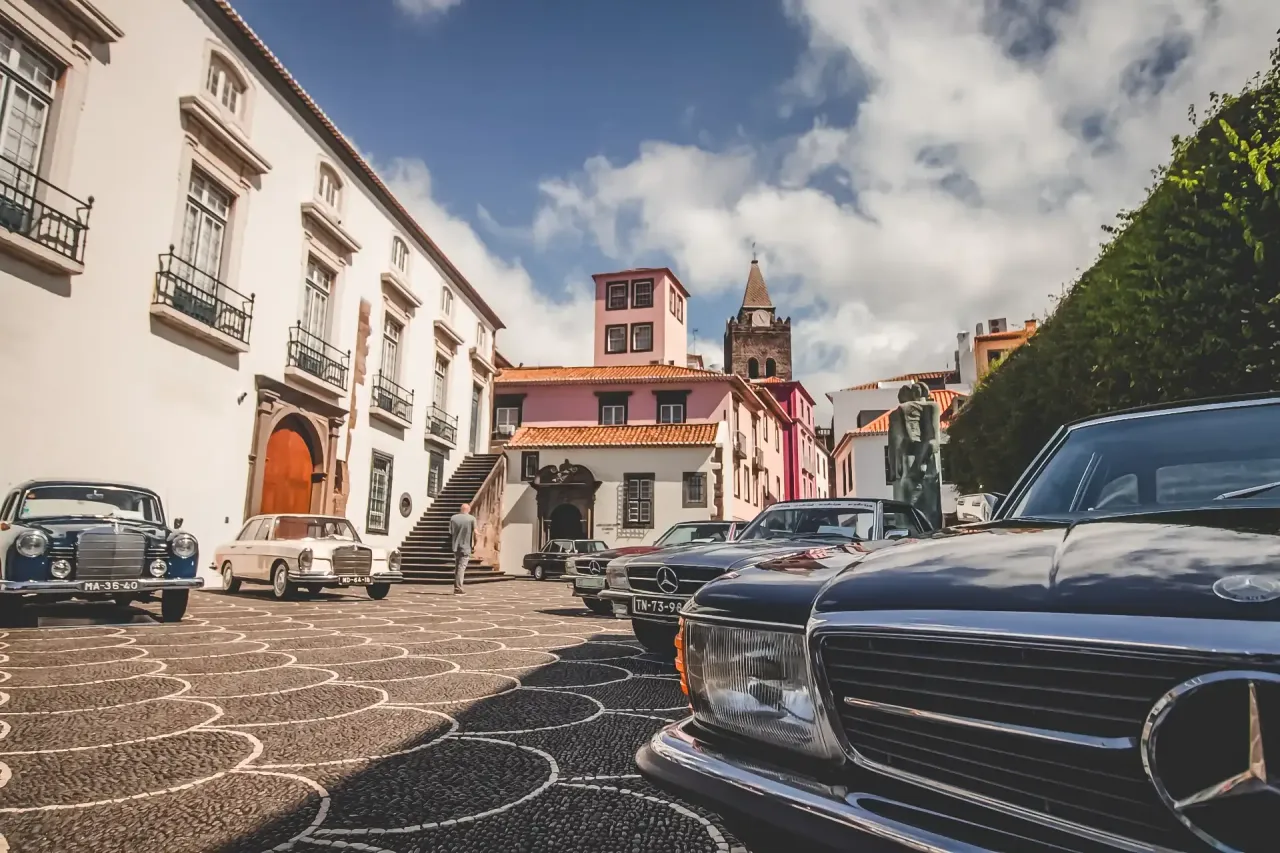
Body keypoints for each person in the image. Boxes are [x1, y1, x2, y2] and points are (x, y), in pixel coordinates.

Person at [449, 503, 476, 595]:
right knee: (461, 567)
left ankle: (457, 586)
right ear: (468, 510)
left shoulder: (453, 518)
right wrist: (475, 544)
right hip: (466, 546)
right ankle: (458, 588)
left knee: (458, 567)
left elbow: (451, 532)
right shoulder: (471, 519)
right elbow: (475, 532)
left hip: (456, 546)